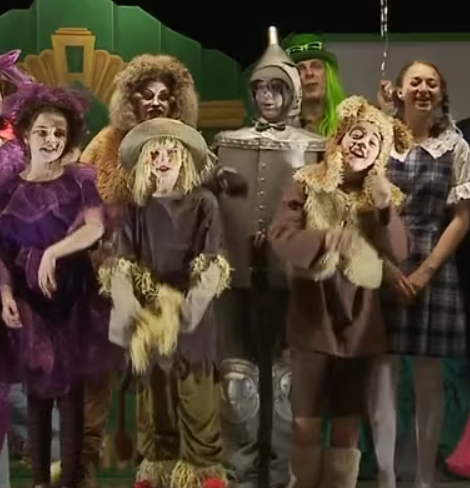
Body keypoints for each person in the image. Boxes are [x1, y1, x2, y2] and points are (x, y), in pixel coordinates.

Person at [268, 95, 411, 488]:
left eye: (374, 141)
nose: (363, 144)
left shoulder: (383, 196)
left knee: (347, 428)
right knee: (306, 423)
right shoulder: (306, 181)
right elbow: (280, 235)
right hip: (312, 318)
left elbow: (399, 251)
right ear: (341, 137)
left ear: (381, 154)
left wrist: (385, 208)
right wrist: (326, 239)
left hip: (360, 323)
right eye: (357, 135)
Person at [212, 26, 325, 488]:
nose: (268, 97)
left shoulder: (315, 148)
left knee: (284, 380)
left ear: (291, 92)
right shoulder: (228, 142)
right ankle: (242, 474)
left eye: (277, 88)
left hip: (289, 279)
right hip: (235, 278)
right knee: (237, 380)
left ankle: (279, 475)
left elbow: (324, 213)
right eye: (260, 88)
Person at [98, 117, 230, 487]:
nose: (163, 159)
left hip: (191, 317)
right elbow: (121, 264)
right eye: (155, 153)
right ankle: (156, 467)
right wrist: (128, 305)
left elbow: (213, 263)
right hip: (150, 319)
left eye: (171, 152)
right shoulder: (136, 209)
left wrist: (189, 308)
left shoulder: (203, 203)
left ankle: (204, 472)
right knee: (155, 400)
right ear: (145, 161)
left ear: (184, 158)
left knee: (196, 397)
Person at [0, 83, 116, 488]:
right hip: (29, 299)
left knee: (71, 397)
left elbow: (95, 227)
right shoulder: (9, 188)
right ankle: (38, 481)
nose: (51, 140)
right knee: (37, 394)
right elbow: (1, 251)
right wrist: (4, 293)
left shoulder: (79, 180)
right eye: (42, 132)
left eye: (59, 133)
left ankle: (69, 481)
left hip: (72, 295)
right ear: (25, 134)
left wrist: (53, 252)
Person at [368, 60, 470, 488]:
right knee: (383, 377)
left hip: (434, 263)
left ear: (441, 93)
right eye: (415, 82)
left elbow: (463, 217)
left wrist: (426, 272)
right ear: (400, 90)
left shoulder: (456, 146)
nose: (424, 89)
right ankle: (387, 479)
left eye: (432, 83)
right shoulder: (379, 140)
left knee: (429, 380)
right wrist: (387, 268)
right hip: (383, 261)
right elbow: (362, 208)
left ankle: (425, 479)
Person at [282, 33, 346, 136]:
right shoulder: (282, 131)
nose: (309, 73)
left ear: (328, 74)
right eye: (300, 69)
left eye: (316, 66)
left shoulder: (350, 123)